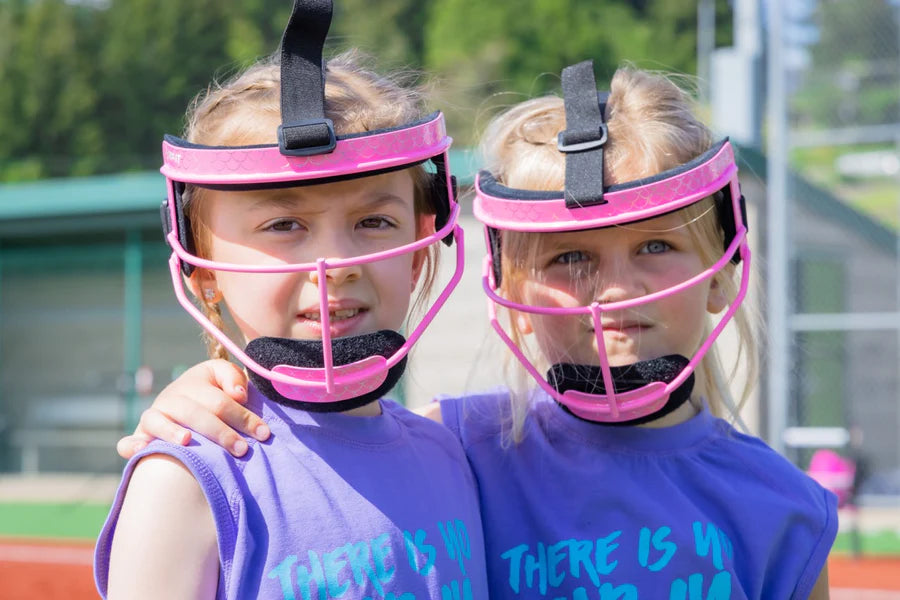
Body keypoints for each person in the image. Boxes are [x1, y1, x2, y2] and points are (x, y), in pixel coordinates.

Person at [115, 60, 838, 598]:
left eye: (655, 245)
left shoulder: (785, 509)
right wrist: (196, 393)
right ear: (513, 287)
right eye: (572, 256)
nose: (615, 289)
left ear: (721, 270)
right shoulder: (468, 448)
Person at [93, 1, 488, 598]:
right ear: (203, 271)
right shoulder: (187, 483)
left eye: (375, 221)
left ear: (417, 249)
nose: (333, 265)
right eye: (284, 225)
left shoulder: (450, 455)